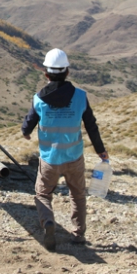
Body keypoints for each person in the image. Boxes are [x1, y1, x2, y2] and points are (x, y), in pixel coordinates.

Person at [21, 48, 109, 251]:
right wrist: (100, 150)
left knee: (43, 194)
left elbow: (28, 123)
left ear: (46, 74)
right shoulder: (80, 96)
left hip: (49, 159)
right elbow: (91, 125)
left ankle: (48, 223)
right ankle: (78, 235)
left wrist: (26, 132)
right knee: (77, 195)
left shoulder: (39, 99)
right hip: (74, 157)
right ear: (67, 72)